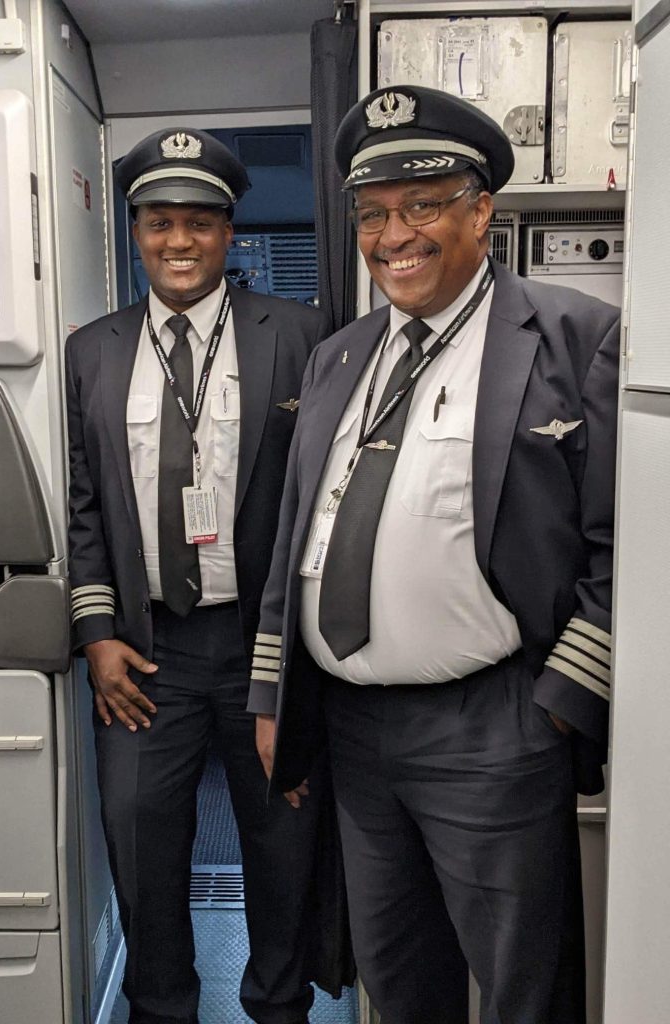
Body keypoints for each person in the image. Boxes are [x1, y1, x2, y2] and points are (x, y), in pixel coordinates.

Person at [249, 85, 619, 1024]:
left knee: (524, 989)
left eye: (422, 205)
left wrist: (561, 705)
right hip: (354, 732)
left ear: (482, 210)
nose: (394, 237)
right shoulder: (338, 357)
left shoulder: (576, 338)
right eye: (374, 215)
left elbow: (623, 551)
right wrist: (272, 693)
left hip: (494, 727)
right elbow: (296, 536)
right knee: (398, 980)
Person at [65, 127, 328, 1024]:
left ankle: (281, 1007)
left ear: (228, 231)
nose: (179, 241)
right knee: (141, 850)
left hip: (262, 644)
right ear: (136, 232)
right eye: (160, 222)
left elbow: (318, 506)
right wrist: (96, 633)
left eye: (199, 223)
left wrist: (290, 664)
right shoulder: (93, 351)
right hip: (145, 654)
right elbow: (86, 503)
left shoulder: (300, 336)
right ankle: (161, 1009)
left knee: (283, 845)